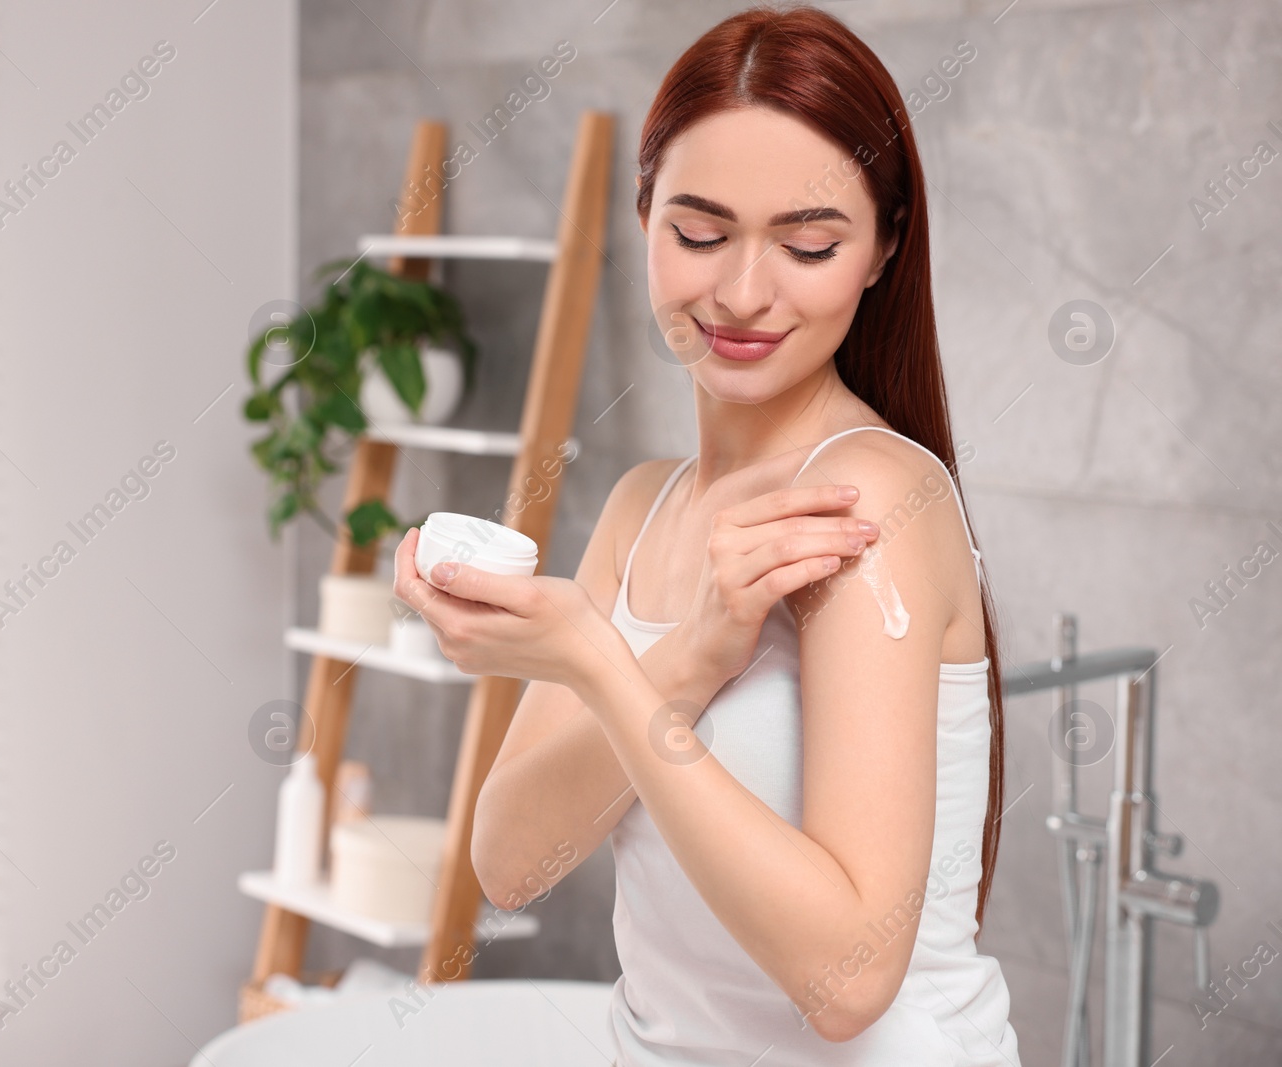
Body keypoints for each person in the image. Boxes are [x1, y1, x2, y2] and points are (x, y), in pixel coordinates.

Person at [391, 6, 1021, 1064]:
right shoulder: (643, 507)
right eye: (698, 232)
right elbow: (508, 862)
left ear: (882, 248)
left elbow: (848, 978)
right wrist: (684, 659)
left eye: (809, 243)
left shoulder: (865, 502)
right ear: (643, 214)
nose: (739, 291)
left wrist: (596, 658)